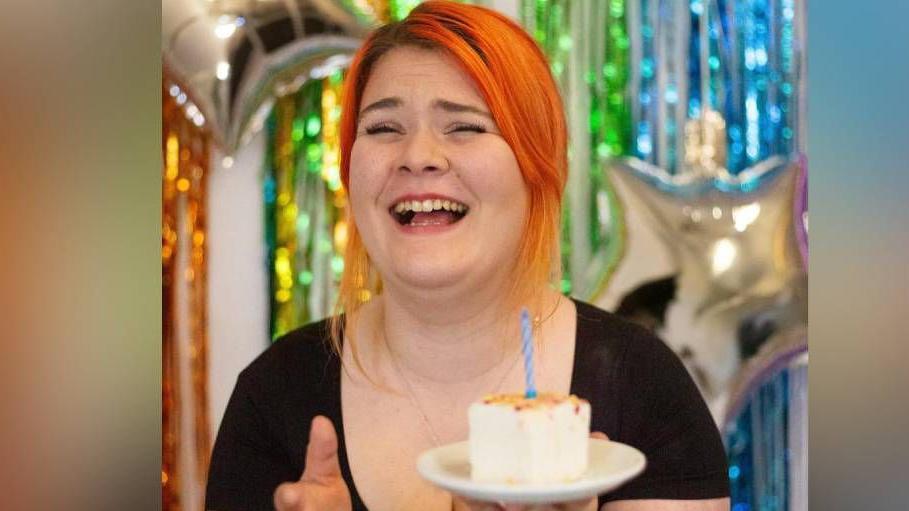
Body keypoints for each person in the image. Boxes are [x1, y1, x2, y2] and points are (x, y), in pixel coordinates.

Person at [205, 2, 731, 510]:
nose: (418, 157)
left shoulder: (643, 387)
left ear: (535, 165)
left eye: (465, 126)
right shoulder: (271, 396)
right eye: (384, 129)